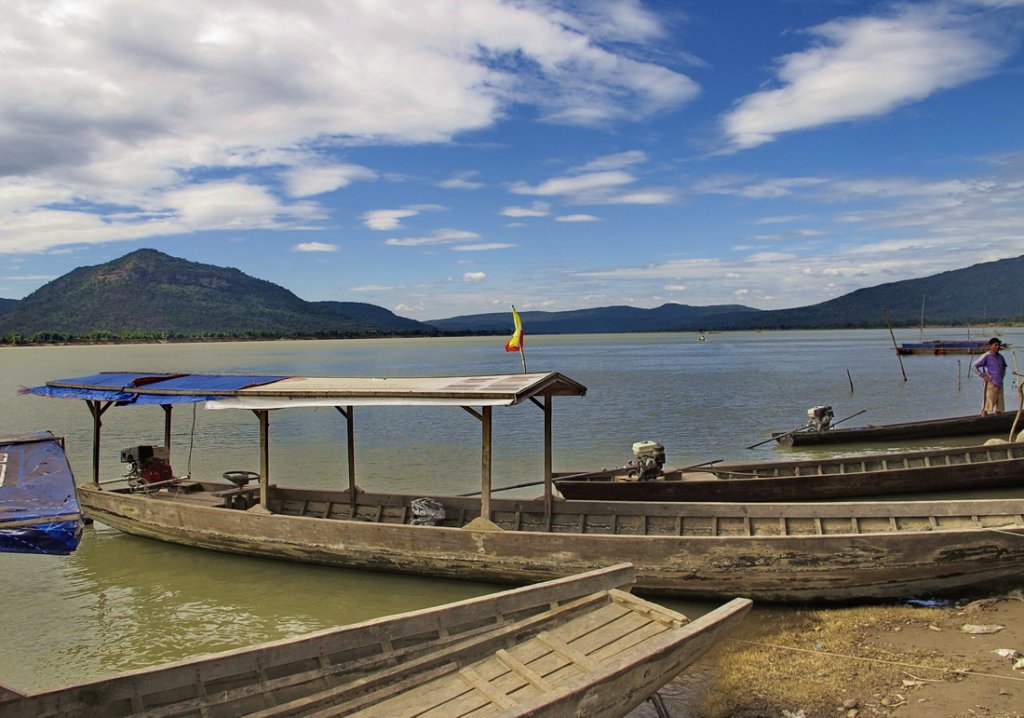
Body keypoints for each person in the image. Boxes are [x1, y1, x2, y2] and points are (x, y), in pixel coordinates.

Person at [972, 337, 1008, 415]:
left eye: (998, 345)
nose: (997, 347)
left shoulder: (1001, 357)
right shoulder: (986, 356)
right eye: (995, 345)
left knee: (999, 408)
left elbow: (1004, 367)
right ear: (991, 346)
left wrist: (1002, 377)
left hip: (999, 384)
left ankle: (999, 424)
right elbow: (974, 366)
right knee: (986, 406)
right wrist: (983, 375)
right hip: (990, 384)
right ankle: (983, 421)